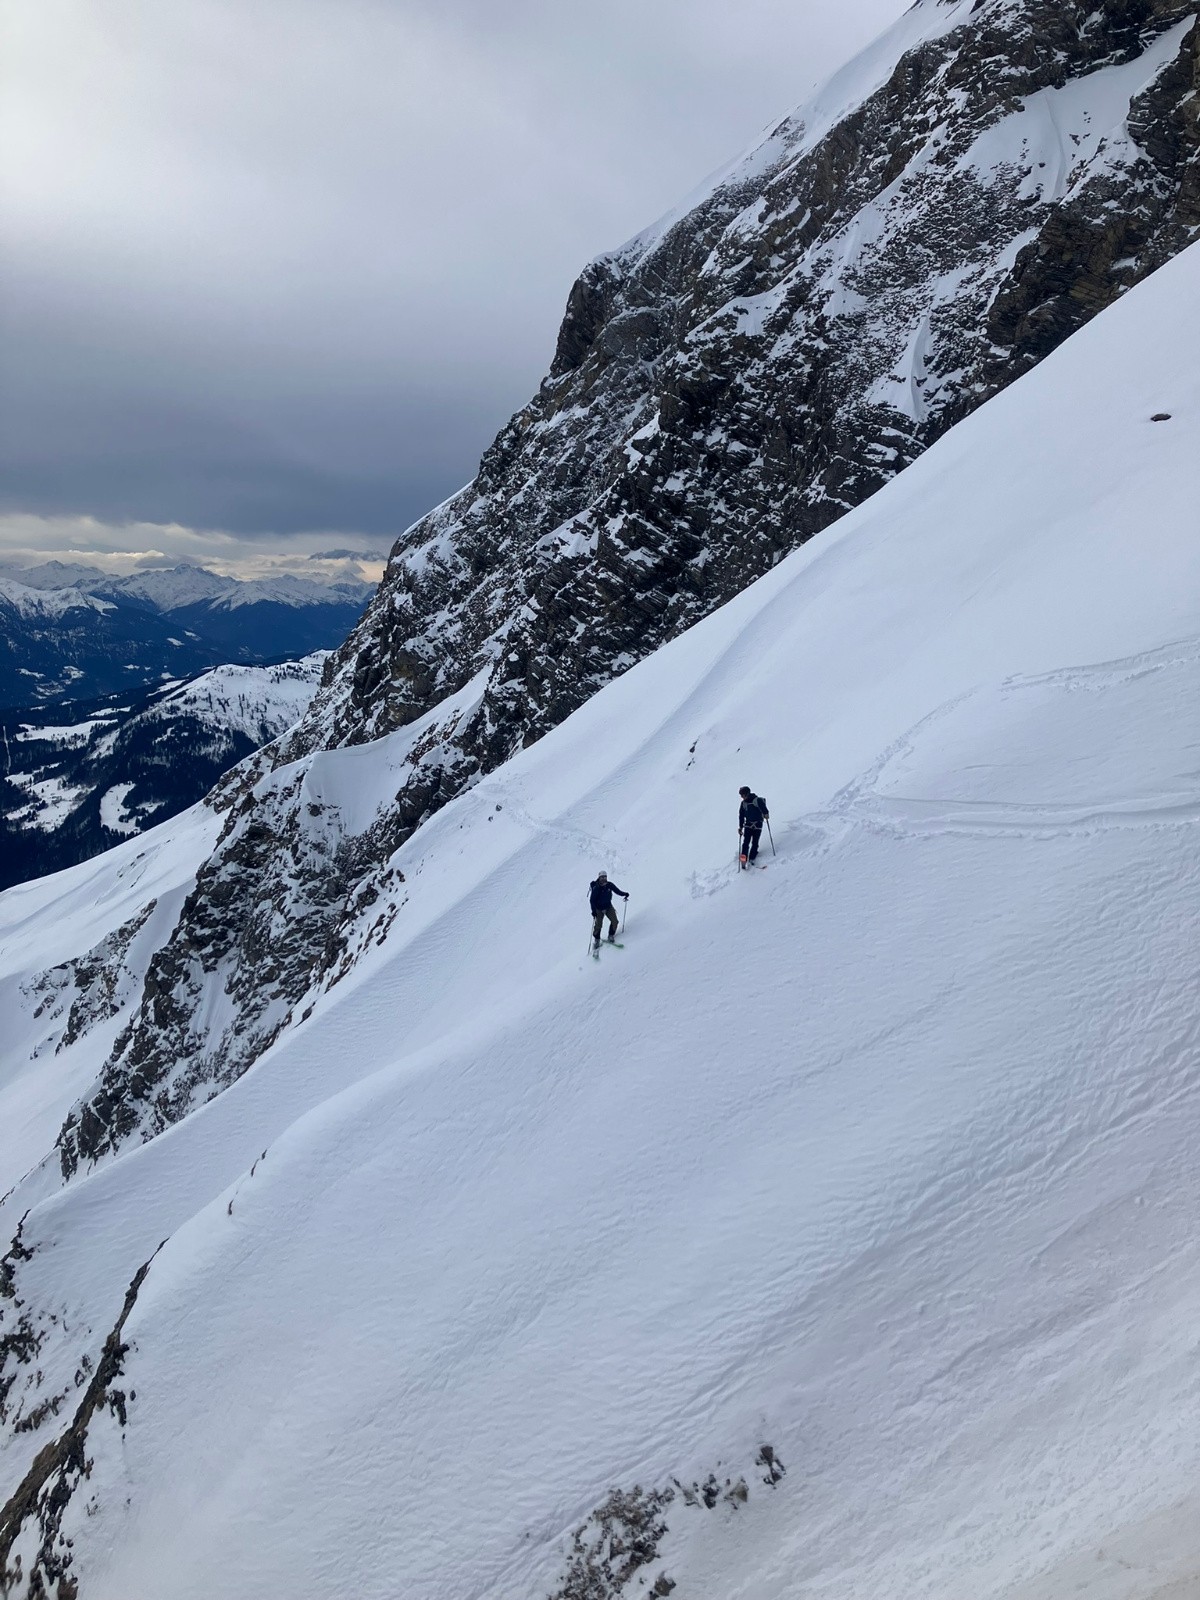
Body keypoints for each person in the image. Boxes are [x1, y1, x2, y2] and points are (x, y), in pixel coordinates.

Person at [589, 870, 629, 947]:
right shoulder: (596, 888)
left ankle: (611, 935)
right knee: (598, 925)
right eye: (602, 877)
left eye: (605, 877)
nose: (604, 879)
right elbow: (592, 900)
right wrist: (593, 911)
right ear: (599, 878)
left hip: (608, 906)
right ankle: (597, 939)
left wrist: (625, 894)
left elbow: (617, 891)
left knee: (615, 921)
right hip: (599, 909)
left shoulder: (609, 885)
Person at [738, 786, 769, 866]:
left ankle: (751, 858)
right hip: (750, 825)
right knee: (747, 842)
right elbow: (741, 815)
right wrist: (740, 827)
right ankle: (745, 858)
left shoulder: (757, 800)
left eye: (742, 795)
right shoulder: (744, 803)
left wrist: (766, 814)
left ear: (747, 794)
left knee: (754, 842)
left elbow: (764, 809)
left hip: (756, 824)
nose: (742, 797)